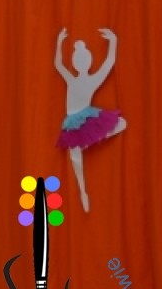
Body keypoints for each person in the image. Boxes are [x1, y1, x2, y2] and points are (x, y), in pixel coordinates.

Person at [54, 27, 126, 212]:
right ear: (75, 63)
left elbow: (109, 63)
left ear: (89, 62)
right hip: (73, 122)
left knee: (122, 123)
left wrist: (113, 41)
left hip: (86, 117)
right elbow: (58, 65)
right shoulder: (72, 79)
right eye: (78, 60)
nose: (80, 63)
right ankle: (83, 192)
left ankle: (91, 141)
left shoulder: (92, 80)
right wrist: (59, 41)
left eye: (83, 60)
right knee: (75, 159)